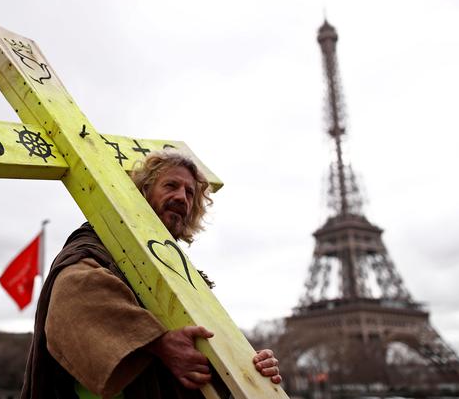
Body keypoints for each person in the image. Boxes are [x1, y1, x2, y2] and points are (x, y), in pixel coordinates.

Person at [22, 150, 282, 398]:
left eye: (190, 193)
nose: (182, 198)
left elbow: (205, 347)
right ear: (142, 192)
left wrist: (247, 366)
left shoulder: (184, 272)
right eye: (171, 186)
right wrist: (158, 343)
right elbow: (75, 293)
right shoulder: (100, 240)